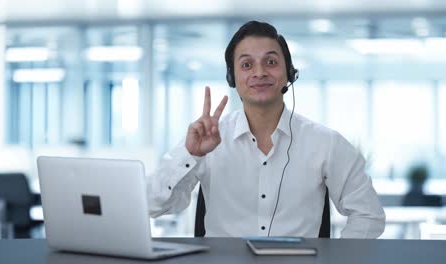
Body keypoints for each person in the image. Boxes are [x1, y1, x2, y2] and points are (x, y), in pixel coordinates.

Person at [148, 21, 385, 238]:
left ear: (289, 74)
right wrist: (190, 155)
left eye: (270, 62)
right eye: (247, 64)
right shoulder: (205, 140)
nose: (259, 72)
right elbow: (152, 205)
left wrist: (336, 259)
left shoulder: (325, 143)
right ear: (233, 77)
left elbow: (369, 215)